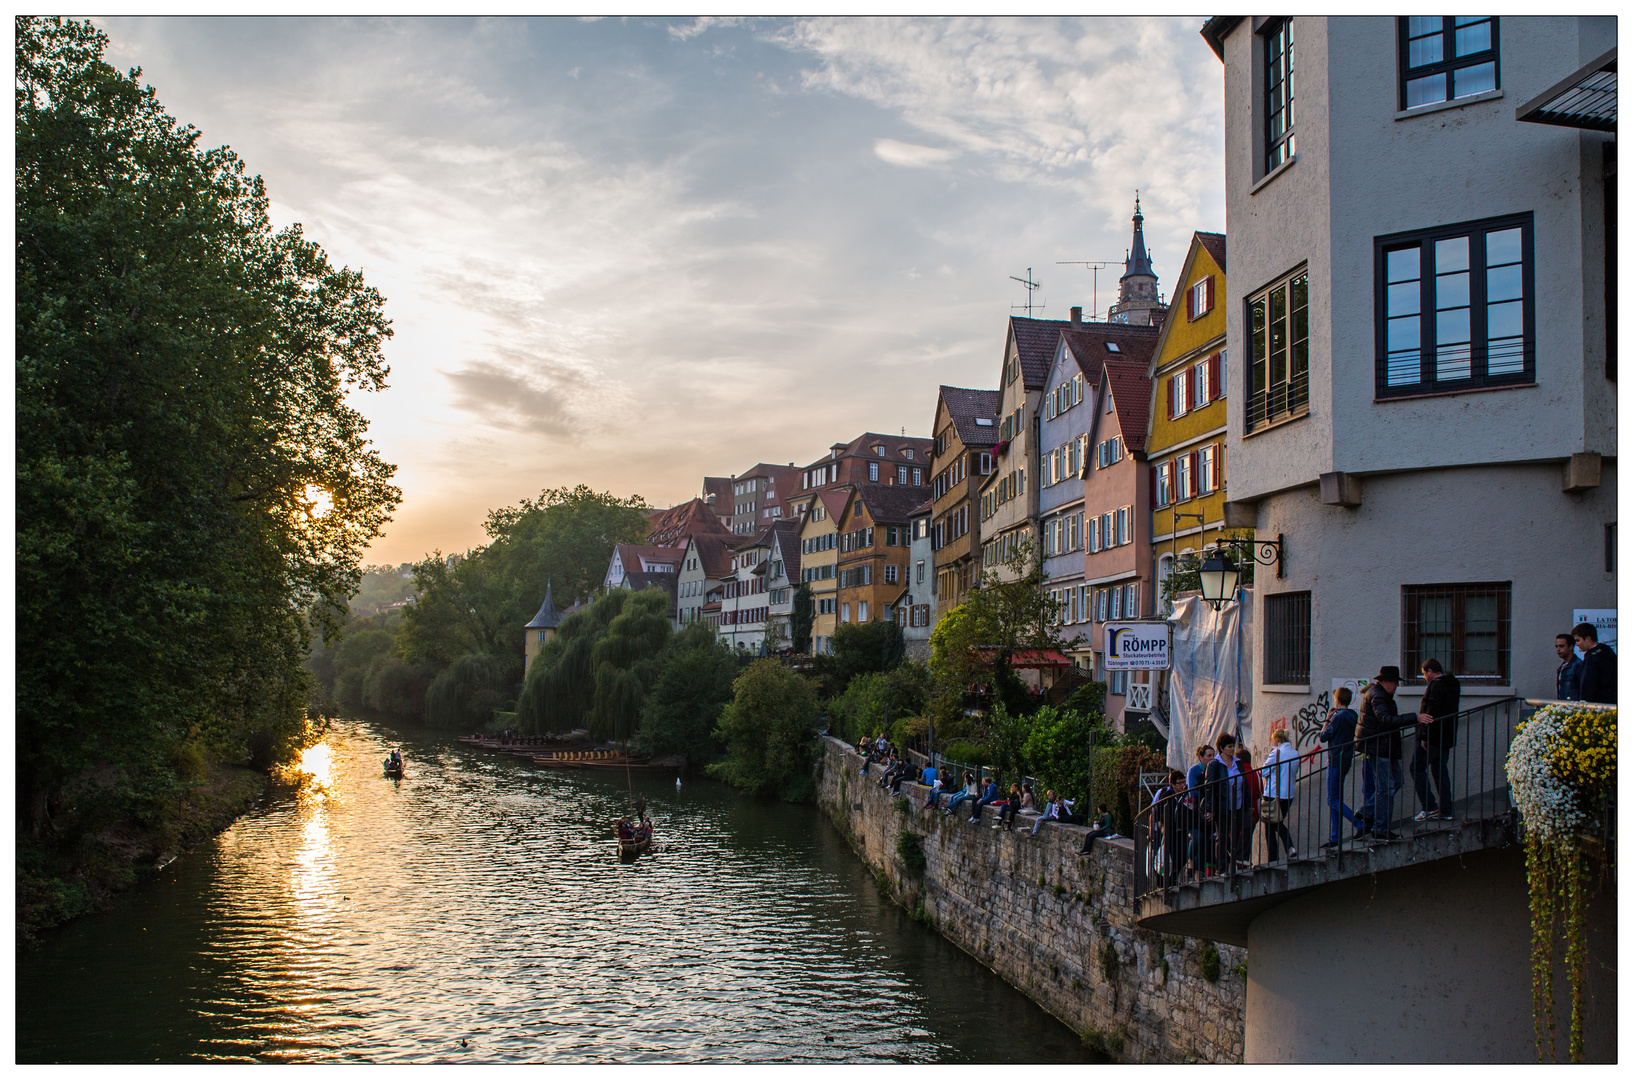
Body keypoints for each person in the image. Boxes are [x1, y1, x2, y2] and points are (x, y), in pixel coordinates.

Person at [1356, 666, 1413, 840]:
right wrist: (1414, 718)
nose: (1396, 686)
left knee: (1395, 782)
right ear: (1386, 682)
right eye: (1395, 683)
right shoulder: (1378, 695)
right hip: (1379, 749)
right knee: (1386, 787)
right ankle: (1380, 828)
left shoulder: (1379, 694)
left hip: (1383, 749)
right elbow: (1386, 720)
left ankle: (1366, 811)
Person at [1412, 659, 1460, 821]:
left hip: (1433, 737)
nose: (1425, 677)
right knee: (1440, 771)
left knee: (1416, 768)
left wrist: (1425, 736)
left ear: (1430, 671)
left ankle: (1429, 806)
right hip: (1446, 736)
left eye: (1424, 673)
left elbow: (1430, 712)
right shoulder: (1452, 684)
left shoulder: (1436, 685)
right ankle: (1446, 810)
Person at [1319, 686, 1364, 849]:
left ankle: (1359, 824)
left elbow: (1323, 737)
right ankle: (1335, 837)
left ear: (1337, 700)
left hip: (1335, 760)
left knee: (1332, 799)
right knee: (1335, 799)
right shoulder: (1352, 715)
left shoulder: (1338, 717)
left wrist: (1327, 719)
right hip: (1345, 760)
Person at [1259, 728, 1299, 860]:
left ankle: (1280, 854)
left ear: (1277, 740)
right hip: (1288, 794)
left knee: (1271, 825)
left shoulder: (1276, 753)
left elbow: (1263, 772)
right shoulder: (1295, 753)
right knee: (1276, 822)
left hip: (1273, 794)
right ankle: (1287, 850)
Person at [1204, 733, 1236, 871]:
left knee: (1244, 828)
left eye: (1233, 746)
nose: (1233, 749)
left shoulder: (1236, 762)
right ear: (1222, 748)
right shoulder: (1215, 764)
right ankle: (1222, 868)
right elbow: (1209, 786)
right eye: (1230, 746)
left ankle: (1237, 861)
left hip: (1236, 804)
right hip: (1222, 805)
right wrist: (1211, 808)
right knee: (1222, 837)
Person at [1574, 622, 1617, 704]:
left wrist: (1585, 703)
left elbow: (1588, 685)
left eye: (1578, 640)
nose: (1577, 644)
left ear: (1588, 639)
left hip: (1598, 704)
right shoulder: (1607, 650)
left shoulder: (1591, 658)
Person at [1237, 746, 1263, 865]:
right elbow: (1260, 793)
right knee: (1247, 838)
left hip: (1240, 811)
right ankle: (1245, 859)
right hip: (1254, 814)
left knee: (1238, 838)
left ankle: (1239, 860)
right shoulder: (1256, 774)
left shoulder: (1238, 775)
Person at [1555, 633, 1583, 701]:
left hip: (1574, 707)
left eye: (1561, 646)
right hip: (1565, 706)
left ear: (1571, 647)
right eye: (1556, 646)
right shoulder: (1562, 667)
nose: (1558, 649)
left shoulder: (1577, 665)